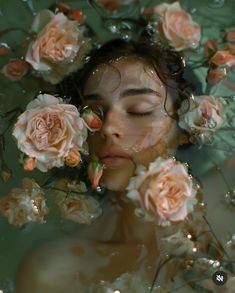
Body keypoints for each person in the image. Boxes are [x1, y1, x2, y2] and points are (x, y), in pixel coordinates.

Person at [15, 38, 203, 293]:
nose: (108, 128)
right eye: (94, 113)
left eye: (138, 110)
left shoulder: (224, 217)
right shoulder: (54, 273)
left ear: (186, 131)